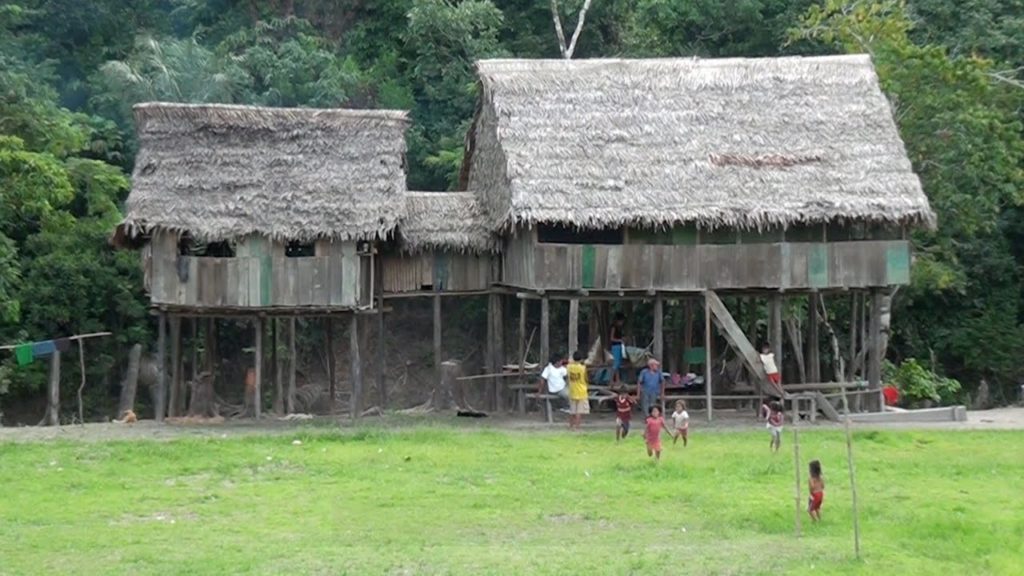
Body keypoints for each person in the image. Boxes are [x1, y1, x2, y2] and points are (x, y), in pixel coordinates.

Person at [566, 350, 589, 430]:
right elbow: (586, 378)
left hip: (572, 390)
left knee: (572, 410)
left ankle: (571, 425)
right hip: (581, 391)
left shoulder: (569, 367)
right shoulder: (583, 368)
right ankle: (577, 427)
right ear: (581, 359)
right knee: (579, 411)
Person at [609, 314, 626, 384]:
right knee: (615, 364)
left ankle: (617, 380)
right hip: (615, 346)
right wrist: (620, 340)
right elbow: (611, 338)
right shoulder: (614, 327)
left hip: (619, 346)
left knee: (618, 364)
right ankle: (611, 380)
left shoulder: (619, 328)